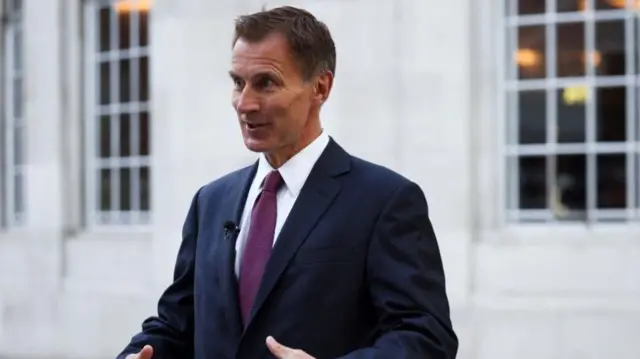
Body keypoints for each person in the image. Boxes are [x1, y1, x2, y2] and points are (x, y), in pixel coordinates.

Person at [117, 5, 458, 359]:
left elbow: (426, 336)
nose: (244, 104)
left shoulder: (385, 201)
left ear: (321, 87)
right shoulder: (211, 201)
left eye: (266, 83)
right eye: (238, 82)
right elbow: (177, 324)